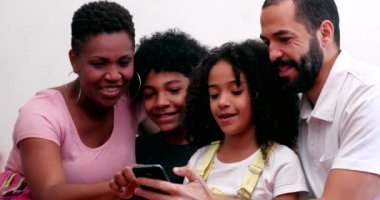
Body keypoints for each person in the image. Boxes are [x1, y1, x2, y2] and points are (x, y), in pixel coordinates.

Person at [112, 40, 308, 200]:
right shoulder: (199, 158)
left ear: (261, 95)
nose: (222, 102)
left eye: (236, 91)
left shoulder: (282, 161)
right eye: (214, 95)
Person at [0, 1, 144, 199]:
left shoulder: (133, 100)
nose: (113, 75)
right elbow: (48, 193)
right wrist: (119, 187)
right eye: (99, 63)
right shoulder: (41, 114)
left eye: (124, 62)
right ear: (74, 60)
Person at [259, 0, 380, 199]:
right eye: (267, 42)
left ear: (325, 33)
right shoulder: (291, 100)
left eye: (285, 39)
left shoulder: (370, 95)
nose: (272, 54)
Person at [109, 29, 208, 198]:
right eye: (149, 94)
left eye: (174, 90)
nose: (160, 102)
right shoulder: (138, 150)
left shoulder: (218, 149)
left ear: (197, 88)